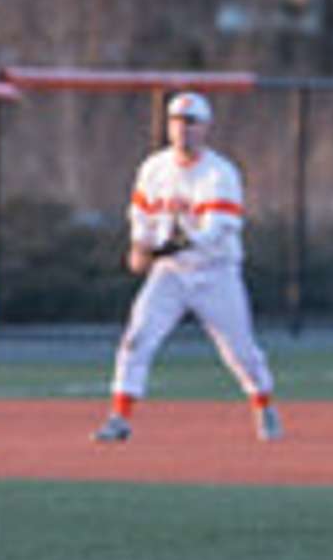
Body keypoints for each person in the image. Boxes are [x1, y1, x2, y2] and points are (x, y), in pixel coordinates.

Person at [93, 91, 282, 444]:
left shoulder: (220, 172)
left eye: (191, 123)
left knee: (240, 352)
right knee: (137, 339)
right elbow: (142, 215)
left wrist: (173, 244)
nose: (183, 130)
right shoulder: (154, 168)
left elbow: (217, 229)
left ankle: (263, 404)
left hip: (215, 273)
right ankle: (120, 417)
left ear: (206, 128)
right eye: (177, 122)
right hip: (170, 274)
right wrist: (139, 245)